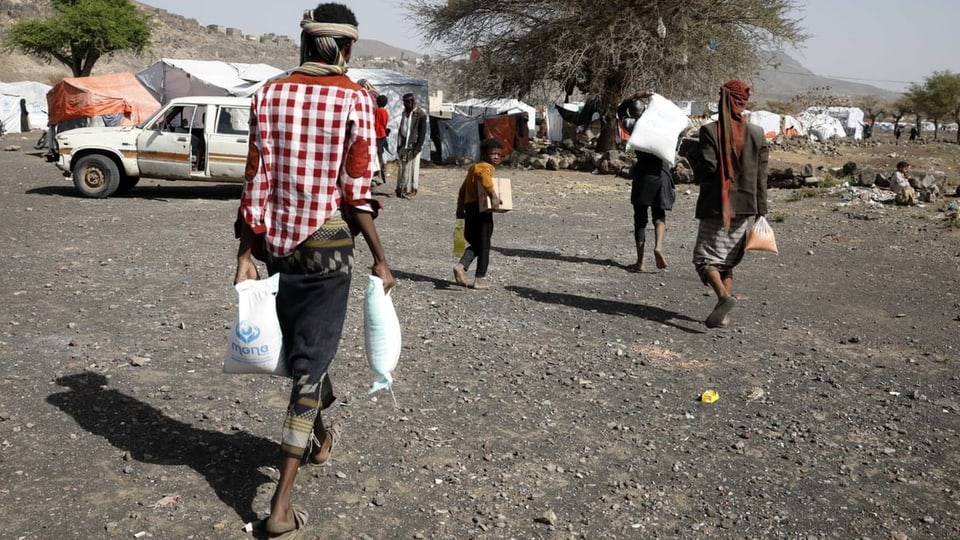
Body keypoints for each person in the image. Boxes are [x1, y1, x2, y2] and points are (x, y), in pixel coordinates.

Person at [233, 3, 394, 537]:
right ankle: (279, 507)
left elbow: (254, 180)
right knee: (308, 371)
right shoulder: (355, 98)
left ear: (304, 43)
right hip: (328, 245)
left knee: (306, 352)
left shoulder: (268, 94)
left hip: (278, 246)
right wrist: (381, 257)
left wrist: (245, 253)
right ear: (345, 48)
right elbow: (358, 192)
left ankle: (321, 439)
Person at [691, 80, 768, 328]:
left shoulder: (709, 131)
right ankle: (722, 315)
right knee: (727, 260)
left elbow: (709, 169)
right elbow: (761, 178)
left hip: (716, 206)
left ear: (724, 100)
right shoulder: (757, 134)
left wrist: (691, 153)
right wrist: (761, 211)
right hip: (746, 206)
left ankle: (724, 298)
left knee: (704, 258)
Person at [616, 92, 676, 272]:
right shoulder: (661, 126)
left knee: (640, 220)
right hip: (661, 174)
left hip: (643, 175)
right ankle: (658, 246)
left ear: (633, 113)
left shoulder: (633, 125)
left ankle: (640, 262)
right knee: (659, 215)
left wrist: (635, 95)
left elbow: (620, 111)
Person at [453, 138, 503, 290]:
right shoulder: (485, 167)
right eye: (492, 153)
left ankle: (461, 266)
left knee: (476, 244)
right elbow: (485, 177)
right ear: (484, 154)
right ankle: (479, 278)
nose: (495, 157)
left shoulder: (472, 168)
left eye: (498, 154)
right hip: (482, 210)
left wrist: (460, 208)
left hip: (470, 209)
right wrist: (493, 195)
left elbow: (462, 190)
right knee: (485, 245)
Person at [395, 92, 427, 198]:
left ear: (412, 101)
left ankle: (412, 189)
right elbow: (401, 128)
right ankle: (400, 188)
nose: (406, 104)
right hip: (403, 143)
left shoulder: (420, 114)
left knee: (412, 168)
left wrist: (418, 147)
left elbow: (422, 133)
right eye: (404, 102)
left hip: (414, 144)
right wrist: (399, 144)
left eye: (408, 102)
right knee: (402, 167)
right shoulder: (404, 112)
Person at [374, 94, 389, 185]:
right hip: (382, 134)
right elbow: (384, 123)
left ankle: (379, 175)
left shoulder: (376, 111)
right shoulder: (385, 112)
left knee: (378, 155)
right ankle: (382, 175)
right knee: (381, 154)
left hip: (377, 135)